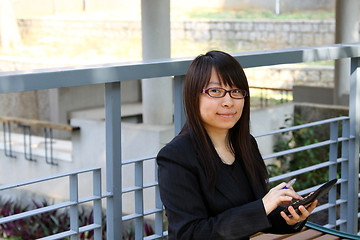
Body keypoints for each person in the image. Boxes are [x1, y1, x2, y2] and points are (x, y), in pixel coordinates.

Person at [156, 50, 317, 240]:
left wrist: (290, 217)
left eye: (236, 91)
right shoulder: (176, 157)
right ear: (194, 97)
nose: (228, 102)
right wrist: (263, 206)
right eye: (215, 91)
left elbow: (255, 213)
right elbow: (189, 234)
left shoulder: (245, 144)